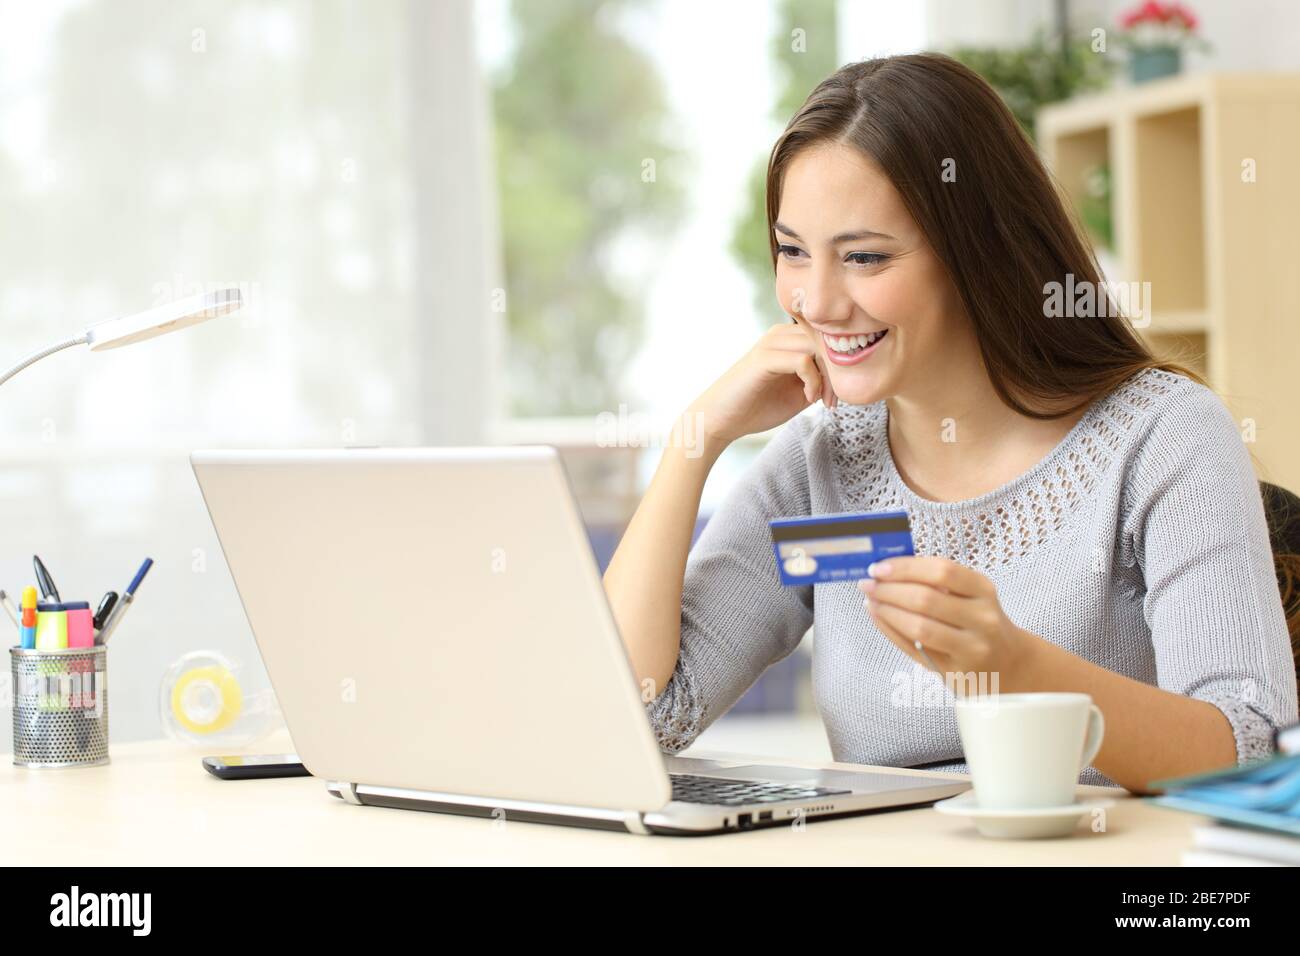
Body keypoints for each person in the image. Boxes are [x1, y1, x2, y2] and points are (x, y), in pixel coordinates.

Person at [601, 53, 1298, 794]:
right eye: (793, 252)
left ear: (977, 251)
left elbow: (1251, 755)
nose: (817, 302)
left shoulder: (1162, 439)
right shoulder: (821, 463)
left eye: (865, 257)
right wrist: (695, 439)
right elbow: (635, 718)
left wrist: (1014, 668)